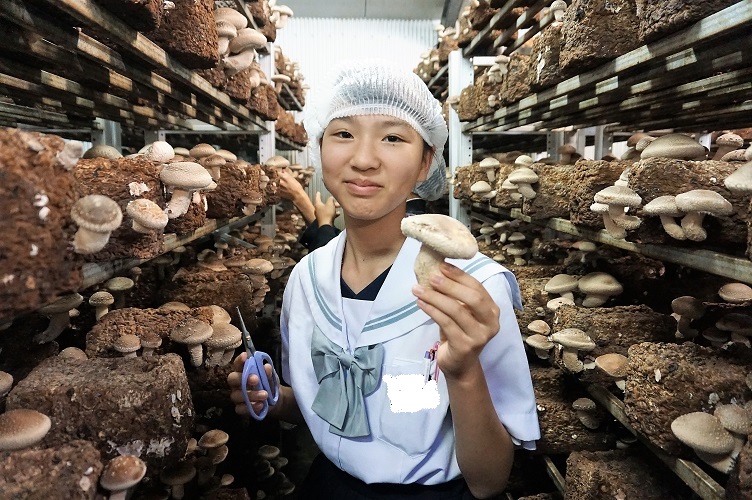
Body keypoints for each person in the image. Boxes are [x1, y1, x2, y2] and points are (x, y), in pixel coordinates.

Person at [228, 60, 539, 499]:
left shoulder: (472, 291)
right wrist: (276, 400)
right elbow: (331, 406)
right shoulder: (306, 279)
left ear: (425, 161)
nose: (363, 159)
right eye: (343, 133)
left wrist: (463, 372)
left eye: (393, 137)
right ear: (319, 148)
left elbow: (489, 481)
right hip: (326, 487)